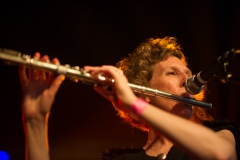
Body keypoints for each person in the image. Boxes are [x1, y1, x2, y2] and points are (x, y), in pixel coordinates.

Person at [20, 37, 240, 160]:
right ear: (143, 92)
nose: (187, 80)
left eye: (188, 73)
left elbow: (220, 154)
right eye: (172, 73)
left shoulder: (220, 135)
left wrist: (134, 105)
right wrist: (36, 121)